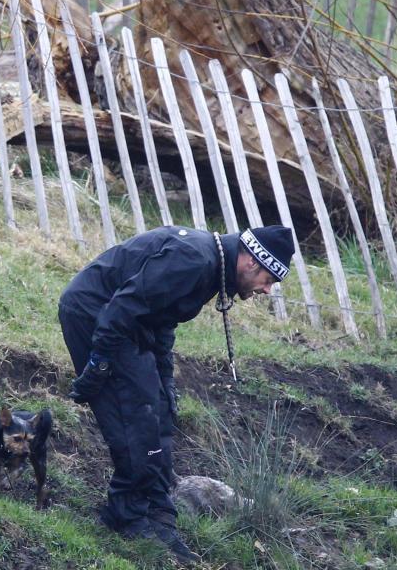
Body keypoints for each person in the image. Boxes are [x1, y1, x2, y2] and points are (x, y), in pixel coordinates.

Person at [58, 225, 295, 562]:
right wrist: (97, 364)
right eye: (269, 279)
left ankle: (159, 515)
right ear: (251, 262)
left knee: (161, 411)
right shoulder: (195, 259)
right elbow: (123, 307)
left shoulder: (213, 267)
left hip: (126, 323)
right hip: (96, 315)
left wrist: (165, 380)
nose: (268, 290)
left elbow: (162, 319)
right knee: (135, 413)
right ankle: (126, 515)